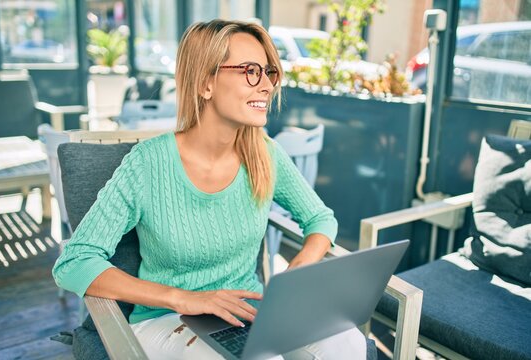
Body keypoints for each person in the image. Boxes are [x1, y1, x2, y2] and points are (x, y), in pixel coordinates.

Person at [53, 19, 367, 359]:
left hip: (248, 313)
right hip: (168, 320)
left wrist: (303, 264)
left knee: (348, 341)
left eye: (268, 71)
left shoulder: (263, 153)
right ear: (206, 83)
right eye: (250, 70)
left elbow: (321, 218)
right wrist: (184, 297)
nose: (266, 85)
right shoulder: (148, 164)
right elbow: (74, 262)